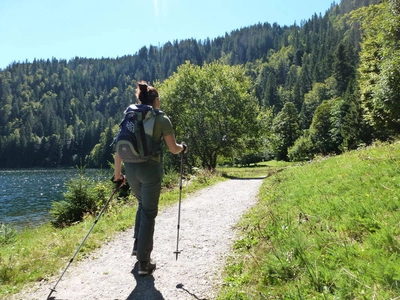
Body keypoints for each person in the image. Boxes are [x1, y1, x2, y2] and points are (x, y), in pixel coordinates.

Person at [113, 80, 188, 276]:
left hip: (130, 169)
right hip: (150, 169)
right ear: (155, 99)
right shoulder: (161, 119)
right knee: (148, 212)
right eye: (159, 98)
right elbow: (173, 149)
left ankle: (138, 247)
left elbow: (119, 148)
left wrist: (118, 175)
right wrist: (183, 148)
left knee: (142, 205)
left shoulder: (130, 116)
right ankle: (144, 263)